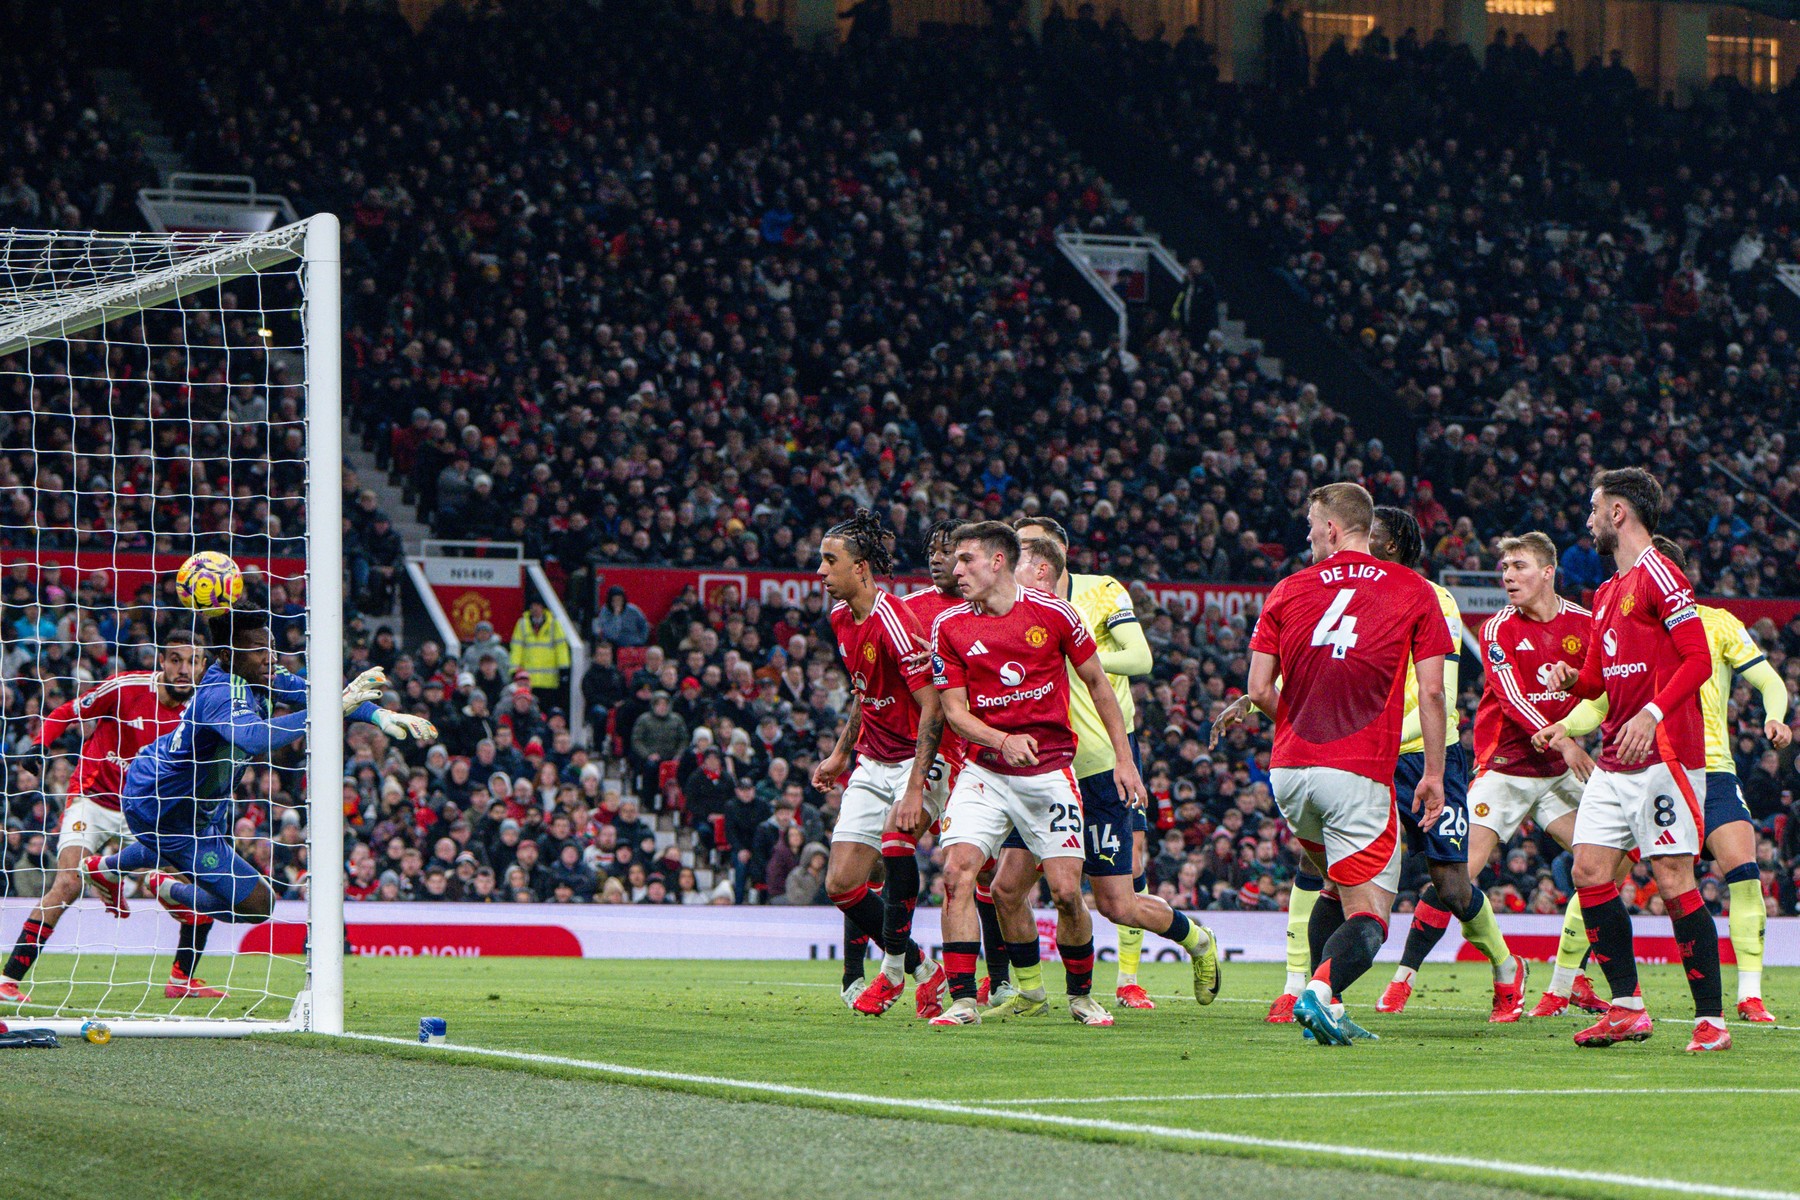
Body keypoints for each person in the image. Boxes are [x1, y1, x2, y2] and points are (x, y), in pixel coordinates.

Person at [1540, 535, 1791, 1024]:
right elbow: (1601, 699)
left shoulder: (1715, 624)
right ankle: (1562, 986)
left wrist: (1775, 716)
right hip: (1637, 764)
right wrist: (1566, 725)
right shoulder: (1626, 621)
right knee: (1595, 873)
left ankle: (1747, 996)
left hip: (1705, 768)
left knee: (1741, 874)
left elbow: (1768, 680)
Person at [1243, 483, 1453, 1045]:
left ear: (1333, 530)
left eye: (1312, 524)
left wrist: (1298, 726)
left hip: (1288, 773)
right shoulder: (1415, 590)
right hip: (1357, 771)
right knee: (1372, 915)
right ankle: (1318, 993)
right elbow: (1432, 694)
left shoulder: (1287, 589)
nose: (1308, 535)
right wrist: (1433, 775)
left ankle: (1327, 1011)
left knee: (1334, 887)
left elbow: (1258, 688)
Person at [989, 518, 1217, 1018]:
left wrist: (1072, 653)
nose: (1008, 558)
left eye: (1022, 548)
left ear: (1051, 556)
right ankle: (1029, 993)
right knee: (1006, 888)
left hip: (1100, 766)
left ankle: (1198, 939)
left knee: (1116, 903)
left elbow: (1139, 658)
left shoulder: (1101, 591)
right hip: (1042, 768)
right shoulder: (1010, 609)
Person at [85, 609, 435, 934]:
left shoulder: (266, 673)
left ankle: (106, 868)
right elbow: (253, 738)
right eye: (256, 650)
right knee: (258, 905)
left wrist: (380, 716)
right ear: (228, 657)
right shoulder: (221, 691)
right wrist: (335, 707)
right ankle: (171, 890)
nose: (269, 657)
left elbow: (322, 697)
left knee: (173, 847)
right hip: (161, 803)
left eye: (270, 647)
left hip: (191, 791)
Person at [925, 521, 1146, 1027]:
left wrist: (1124, 759)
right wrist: (1001, 740)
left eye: (967, 560)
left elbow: (1099, 684)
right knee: (958, 875)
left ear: (998, 561)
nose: (957, 571)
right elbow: (955, 712)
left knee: (1068, 893)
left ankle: (1081, 996)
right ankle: (962, 1001)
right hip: (985, 772)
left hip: (1050, 772)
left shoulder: (1055, 613)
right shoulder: (951, 625)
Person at [1538, 469, 1726, 1051]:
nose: (1588, 519)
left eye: (1595, 508)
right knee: (1589, 872)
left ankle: (1711, 1021)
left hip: (1664, 754)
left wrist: (1654, 713)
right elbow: (1597, 678)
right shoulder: (1606, 591)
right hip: (1616, 755)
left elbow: (1696, 660)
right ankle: (1626, 1006)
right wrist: (1570, 680)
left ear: (1619, 513)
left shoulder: (1660, 575)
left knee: (1673, 879)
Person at [1365, 507, 1526, 1023]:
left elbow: (1443, 694)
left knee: (1453, 886)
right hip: (1372, 757)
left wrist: (1388, 738)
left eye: (1368, 536)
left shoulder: (1437, 600)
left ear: (1391, 546)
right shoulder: (1359, 596)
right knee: (1331, 872)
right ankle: (1311, 989)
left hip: (1431, 759)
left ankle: (1507, 968)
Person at [1, 631, 203, 1003]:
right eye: (176, 660)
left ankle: (182, 978)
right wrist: (40, 745)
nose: (183, 670)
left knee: (195, 885)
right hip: (92, 798)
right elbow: (66, 712)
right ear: (162, 661)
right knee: (67, 884)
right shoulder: (125, 687)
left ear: (203, 666)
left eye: (193, 662)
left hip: (143, 809)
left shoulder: (201, 709)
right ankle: (8, 980)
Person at [811, 510, 948, 1017]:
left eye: (831, 561)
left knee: (895, 844)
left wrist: (915, 789)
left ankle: (893, 971)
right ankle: (923, 967)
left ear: (862, 568)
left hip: (920, 755)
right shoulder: (842, 619)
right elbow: (863, 694)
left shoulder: (895, 620)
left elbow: (932, 706)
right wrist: (841, 753)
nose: (821, 572)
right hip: (873, 756)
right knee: (841, 884)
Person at [510, 597, 570, 713]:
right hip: (528, 680)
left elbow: (561, 647)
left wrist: (564, 668)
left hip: (549, 680)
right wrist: (514, 669)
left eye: (538, 606)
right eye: (533, 606)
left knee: (547, 710)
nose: (535, 609)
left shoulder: (554, 624)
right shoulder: (522, 624)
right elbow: (516, 648)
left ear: (543, 608)